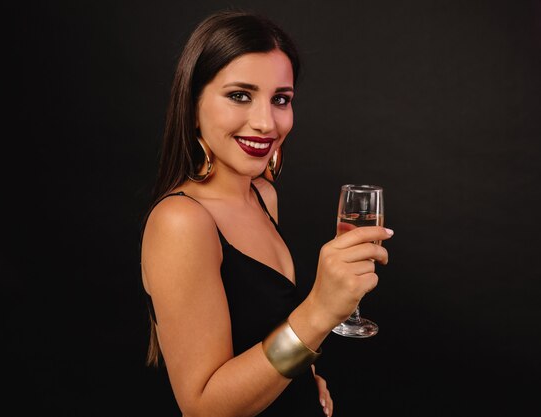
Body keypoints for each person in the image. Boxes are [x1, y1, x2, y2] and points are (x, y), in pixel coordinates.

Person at [139, 9, 393, 417]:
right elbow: (203, 408)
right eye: (240, 95)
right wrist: (321, 311)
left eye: (280, 100)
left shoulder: (262, 194)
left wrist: (304, 373)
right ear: (193, 103)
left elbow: (264, 328)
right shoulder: (181, 222)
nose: (265, 122)